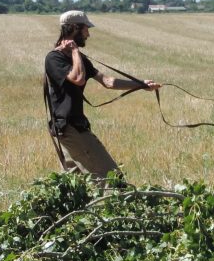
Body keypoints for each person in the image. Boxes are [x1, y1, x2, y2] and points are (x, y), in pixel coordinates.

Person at [44, 10, 161, 181]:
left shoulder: (80, 59)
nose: (88, 34)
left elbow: (107, 81)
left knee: (78, 186)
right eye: (86, 29)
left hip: (75, 126)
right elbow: (78, 78)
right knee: (112, 179)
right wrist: (75, 52)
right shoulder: (54, 58)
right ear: (75, 29)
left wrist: (141, 85)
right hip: (69, 127)